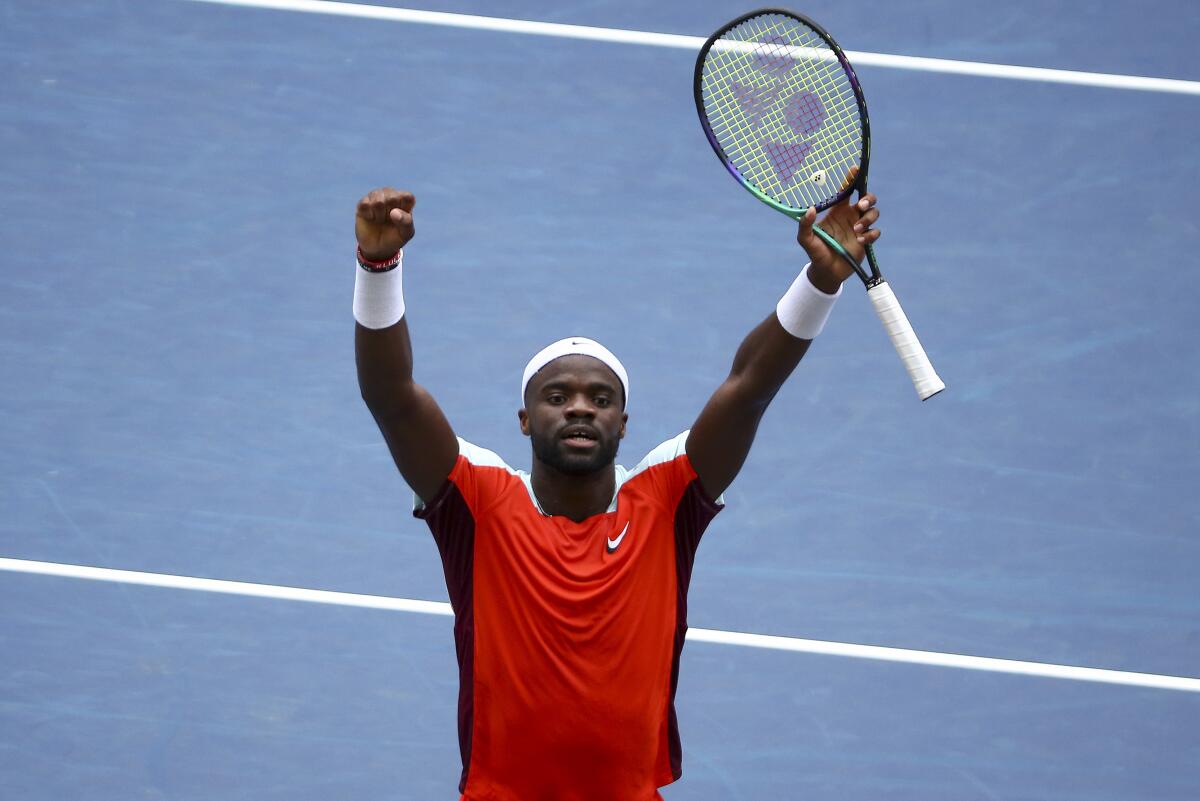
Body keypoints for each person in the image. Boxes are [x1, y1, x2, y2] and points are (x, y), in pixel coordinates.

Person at [352, 183, 880, 801]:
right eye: (557, 397)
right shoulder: (478, 502)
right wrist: (378, 267)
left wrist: (819, 284)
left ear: (623, 423)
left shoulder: (667, 499)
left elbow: (748, 387)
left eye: (601, 400)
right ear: (524, 418)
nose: (580, 408)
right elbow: (392, 397)